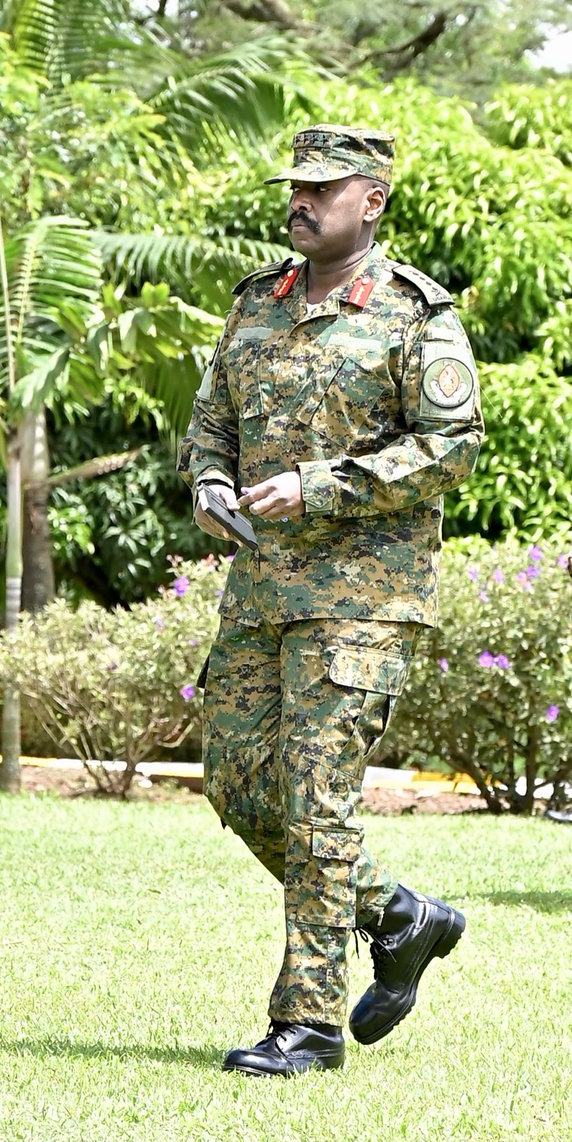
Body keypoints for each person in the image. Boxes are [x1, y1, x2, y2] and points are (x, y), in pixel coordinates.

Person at [178, 124, 484, 1077]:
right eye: (296, 187)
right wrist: (209, 484)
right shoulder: (255, 306)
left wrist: (321, 485)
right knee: (236, 784)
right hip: (260, 594)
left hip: (364, 600)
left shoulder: (413, 314)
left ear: (372, 202)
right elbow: (211, 422)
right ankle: (399, 916)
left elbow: (452, 447)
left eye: (324, 188)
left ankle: (306, 1026)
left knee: (317, 804)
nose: (301, 202)